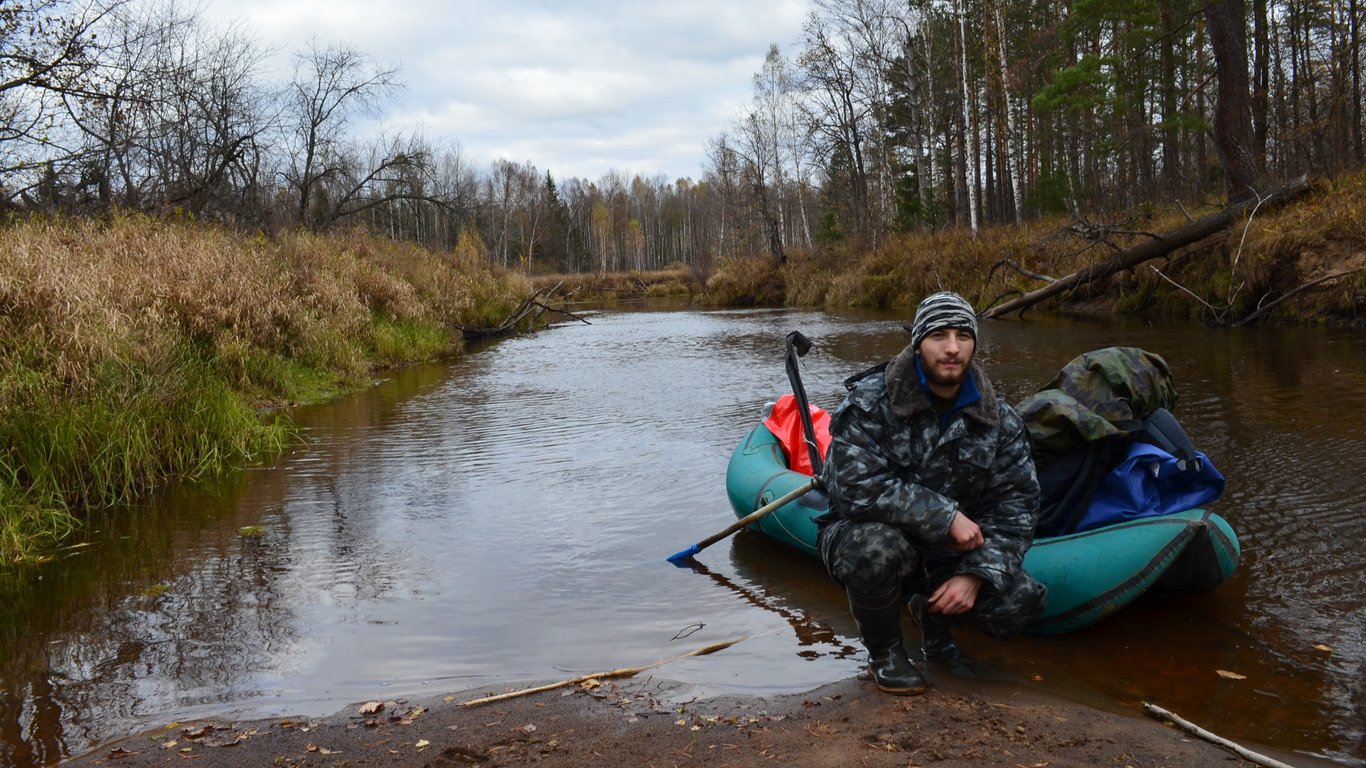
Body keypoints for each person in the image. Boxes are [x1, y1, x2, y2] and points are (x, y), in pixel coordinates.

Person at [817, 291, 1046, 695]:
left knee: (1020, 602)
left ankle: (933, 620)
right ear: (918, 342)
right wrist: (945, 516)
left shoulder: (1000, 420)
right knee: (875, 547)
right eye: (940, 335)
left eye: (963, 335)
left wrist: (975, 576)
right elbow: (853, 488)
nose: (953, 348)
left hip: (950, 553)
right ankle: (886, 652)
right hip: (871, 536)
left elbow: (1017, 508)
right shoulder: (871, 404)